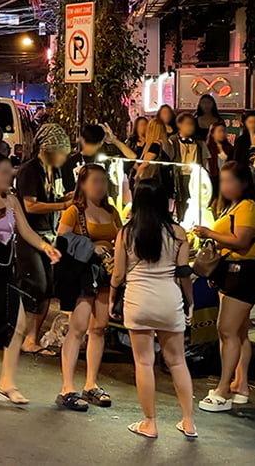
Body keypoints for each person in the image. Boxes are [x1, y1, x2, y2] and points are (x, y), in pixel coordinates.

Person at [0, 153, 62, 405]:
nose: (9, 176)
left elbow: (26, 231)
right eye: (4, 172)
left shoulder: (13, 201)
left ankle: (7, 382)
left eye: (10, 171)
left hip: (6, 270)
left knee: (17, 324)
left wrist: (45, 247)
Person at [110, 179, 196, 439]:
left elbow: (118, 274)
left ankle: (150, 422)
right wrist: (190, 302)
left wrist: (113, 298)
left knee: (143, 363)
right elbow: (183, 272)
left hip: (138, 300)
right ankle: (189, 422)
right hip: (169, 300)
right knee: (178, 362)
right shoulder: (178, 233)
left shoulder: (126, 232)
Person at [194, 162, 255, 413]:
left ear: (243, 182)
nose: (224, 186)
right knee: (239, 331)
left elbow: (241, 241)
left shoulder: (247, 207)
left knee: (226, 330)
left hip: (244, 273)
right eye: (222, 181)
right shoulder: (233, 206)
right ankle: (240, 384)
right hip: (231, 272)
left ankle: (223, 390)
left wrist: (209, 233)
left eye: (229, 181)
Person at [54, 163, 120, 412]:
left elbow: (120, 237)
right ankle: (67, 387)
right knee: (78, 328)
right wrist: (90, 246)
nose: (100, 186)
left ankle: (91, 382)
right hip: (82, 273)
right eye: (95, 181)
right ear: (83, 184)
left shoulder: (111, 211)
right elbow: (62, 239)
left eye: (103, 181)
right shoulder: (74, 211)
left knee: (100, 328)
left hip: (105, 273)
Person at [14, 123, 73, 356]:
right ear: (48, 149)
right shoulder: (30, 170)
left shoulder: (54, 170)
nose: (63, 157)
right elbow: (31, 205)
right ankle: (24, 337)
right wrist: (63, 204)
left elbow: (51, 196)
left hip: (50, 236)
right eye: (60, 152)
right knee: (35, 287)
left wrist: (64, 197)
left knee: (48, 288)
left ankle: (32, 338)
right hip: (31, 237)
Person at [168, 114, 210, 223]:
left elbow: (205, 160)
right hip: (180, 176)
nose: (190, 127)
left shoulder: (199, 142)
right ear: (179, 125)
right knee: (181, 201)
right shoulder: (173, 140)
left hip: (195, 176)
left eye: (192, 124)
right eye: (187, 124)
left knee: (195, 201)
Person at [205, 122, 234, 194]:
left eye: (223, 131)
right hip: (213, 180)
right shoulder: (207, 148)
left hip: (227, 180)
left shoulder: (230, 149)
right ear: (212, 134)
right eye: (219, 131)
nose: (222, 133)